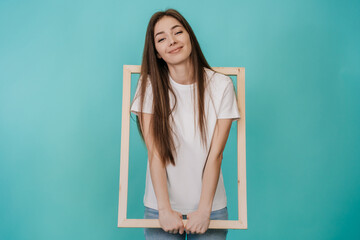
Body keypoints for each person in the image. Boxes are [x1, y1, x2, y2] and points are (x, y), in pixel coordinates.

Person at [130, 8, 240, 240]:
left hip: (210, 207)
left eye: (177, 32)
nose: (172, 41)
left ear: (189, 36)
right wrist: (164, 209)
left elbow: (215, 155)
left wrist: (204, 210)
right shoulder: (148, 86)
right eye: (161, 39)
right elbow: (155, 152)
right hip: (160, 207)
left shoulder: (221, 85)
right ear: (157, 52)